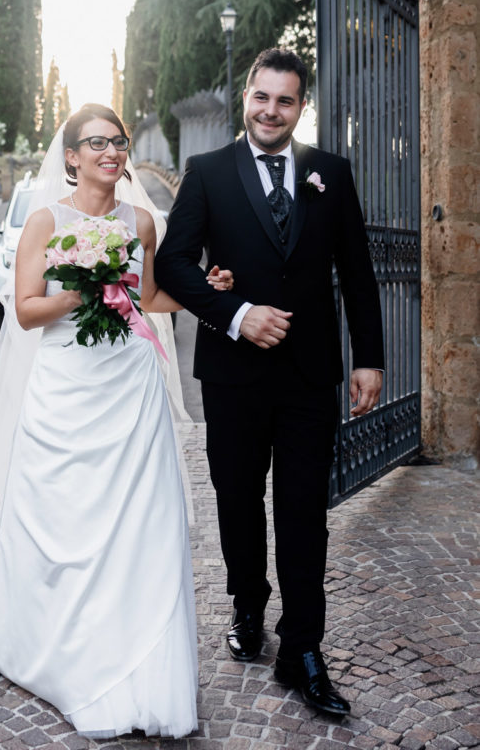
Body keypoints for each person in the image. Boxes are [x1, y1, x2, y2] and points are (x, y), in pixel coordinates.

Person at [0, 103, 232, 739]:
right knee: (65, 515)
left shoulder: (142, 220)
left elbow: (152, 296)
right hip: (65, 385)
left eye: (119, 140)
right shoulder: (45, 220)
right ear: (71, 155)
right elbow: (23, 310)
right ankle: (64, 647)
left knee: (141, 523)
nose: (110, 151)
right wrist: (84, 286)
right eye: (95, 142)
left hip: (130, 382)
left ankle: (145, 666)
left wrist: (205, 290)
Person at [154, 48, 384, 717]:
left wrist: (367, 357)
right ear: (245, 97)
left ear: (299, 106)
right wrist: (233, 313)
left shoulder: (330, 175)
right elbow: (172, 263)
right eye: (260, 97)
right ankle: (247, 602)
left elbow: (358, 273)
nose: (269, 110)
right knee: (236, 498)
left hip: (310, 376)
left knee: (304, 511)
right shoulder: (205, 173)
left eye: (284, 101)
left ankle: (301, 650)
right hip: (232, 377)